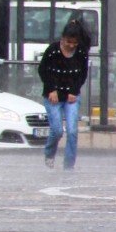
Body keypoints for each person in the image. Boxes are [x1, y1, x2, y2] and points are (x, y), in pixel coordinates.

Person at [38, 18, 90, 170]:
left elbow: (82, 74)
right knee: (57, 130)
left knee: (72, 131)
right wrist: (51, 89)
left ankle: (69, 166)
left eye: (74, 43)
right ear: (63, 39)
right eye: (69, 42)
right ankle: (49, 153)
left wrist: (74, 91)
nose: (71, 46)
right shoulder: (53, 50)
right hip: (53, 95)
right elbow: (43, 70)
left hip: (71, 97)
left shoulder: (81, 52)